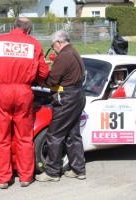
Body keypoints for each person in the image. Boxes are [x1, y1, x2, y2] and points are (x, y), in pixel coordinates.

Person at [0, 18, 49, 189]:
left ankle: (3, 179)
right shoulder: (34, 44)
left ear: (13, 27)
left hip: (2, 91)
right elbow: (44, 72)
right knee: (24, 137)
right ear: (28, 31)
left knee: (1, 137)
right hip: (24, 92)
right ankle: (25, 177)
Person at [35, 30, 86, 182]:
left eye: (52, 45)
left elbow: (52, 81)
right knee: (72, 134)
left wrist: (40, 80)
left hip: (67, 98)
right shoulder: (74, 51)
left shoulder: (63, 56)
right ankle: (79, 169)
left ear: (58, 42)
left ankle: (52, 171)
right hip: (77, 95)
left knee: (55, 134)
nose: (53, 48)